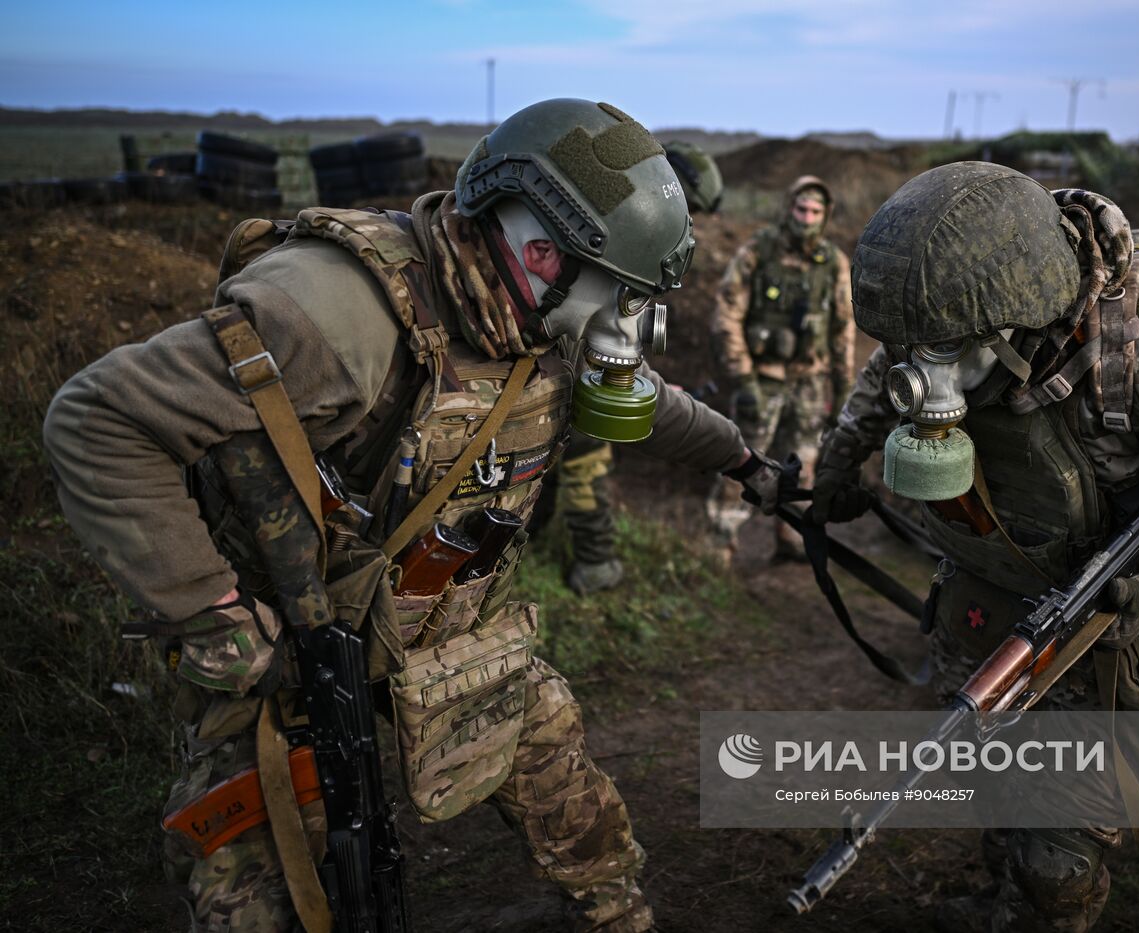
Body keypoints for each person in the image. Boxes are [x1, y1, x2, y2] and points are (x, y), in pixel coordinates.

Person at [43, 98, 789, 933]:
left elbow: (650, 405)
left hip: (454, 635)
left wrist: (744, 461)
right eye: (622, 299)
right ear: (541, 250)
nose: (629, 326)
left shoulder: (548, 310)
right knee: (252, 898)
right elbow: (98, 417)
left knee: (565, 783)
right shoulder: (334, 314)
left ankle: (621, 915)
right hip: (293, 659)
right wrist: (207, 609)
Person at [811, 162, 1139, 932]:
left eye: (941, 351)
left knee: (1060, 858)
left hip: (1116, 619)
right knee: (988, 764)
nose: (921, 372)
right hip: (997, 585)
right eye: (911, 346)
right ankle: (1005, 900)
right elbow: (887, 379)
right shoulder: (948, 321)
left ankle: (1047, 907)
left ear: (1017, 323)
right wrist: (838, 467)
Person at [529, 140, 728, 596]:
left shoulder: (625, 208)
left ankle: (528, 541)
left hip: (570, 349)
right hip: (571, 351)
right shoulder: (624, 223)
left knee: (552, 457)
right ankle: (594, 566)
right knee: (583, 459)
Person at [707, 175, 855, 560]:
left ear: (826, 217)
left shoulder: (833, 263)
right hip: (763, 379)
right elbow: (727, 314)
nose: (807, 218)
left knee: (803, 464)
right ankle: (721, 543)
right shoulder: (759, 250)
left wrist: (843, 390)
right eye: (801, 209)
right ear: (789, 208)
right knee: (742, 460)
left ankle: (791, 538)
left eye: (815, 212)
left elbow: (843, 330)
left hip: (810, 383)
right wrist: (743, 378)